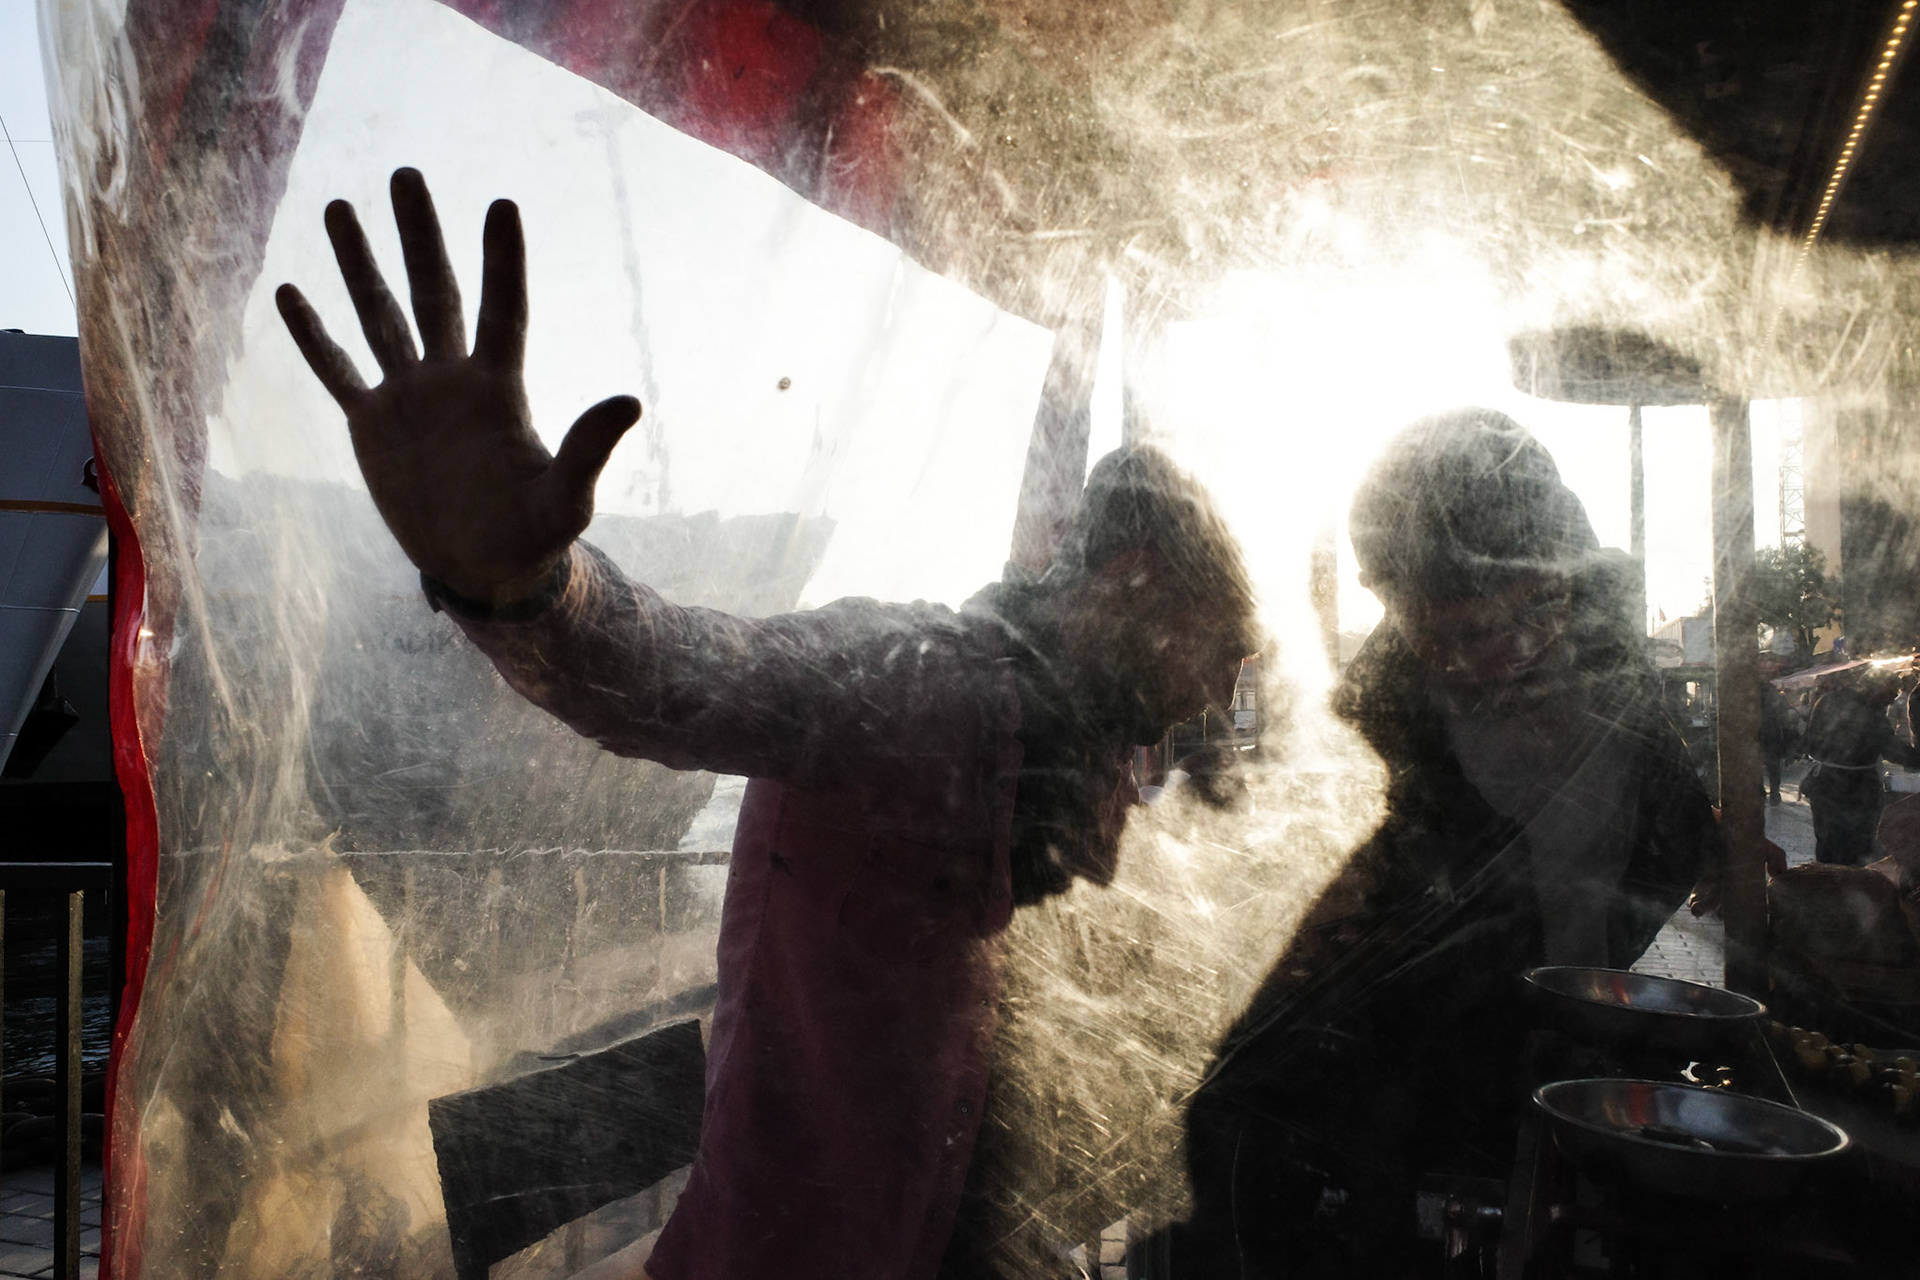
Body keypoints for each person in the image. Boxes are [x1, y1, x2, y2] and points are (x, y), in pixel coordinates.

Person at [277, 168, 1259, 1280]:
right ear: (1132, 580)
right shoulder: (920, 687)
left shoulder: (1077, 757)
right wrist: (523, 588)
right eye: (1212, 651)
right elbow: (679, 672)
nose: (1211, 698)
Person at [1170, 409, 1715, 1276]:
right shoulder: (1375, 759)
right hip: (1423, 1157)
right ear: (1392, 608)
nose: (1504, 653)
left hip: (1581, 1112)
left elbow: (1673, 842)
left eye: (1535, 610)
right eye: (1448, 635)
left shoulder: (1624, 698)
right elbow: (1256, 1081)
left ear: (1561, 579)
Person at [1800, 669, 1920, 866]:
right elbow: (1892, 750)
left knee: (1827, 843)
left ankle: (1827, 877)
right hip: (1856, 789)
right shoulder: (1871, 712)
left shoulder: (1827, 700)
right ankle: (1848, 880)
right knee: (1855, 847)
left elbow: (1808, 741)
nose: (1891, 700)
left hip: (1822, 783)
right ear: (1877, 689)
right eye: (1890, 693)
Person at [1760, 679, 1795, 805]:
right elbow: (1785, 722)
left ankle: (1762, 792)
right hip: (1773, 736)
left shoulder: (1751, 696)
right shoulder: (1776, 697)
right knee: (1773, 767)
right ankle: (1774, 793)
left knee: (1760, 767)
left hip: (1759, 736)